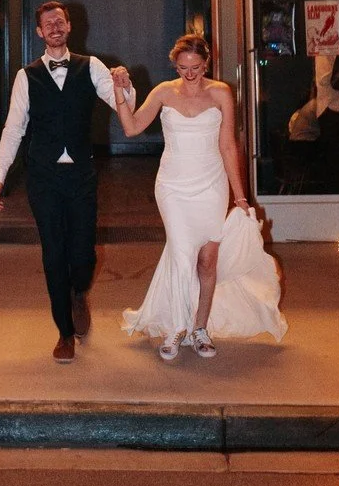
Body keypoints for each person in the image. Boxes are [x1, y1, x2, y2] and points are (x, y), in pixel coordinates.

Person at [116, 35, 283, 360]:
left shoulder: (221, 92)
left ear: (206, 63)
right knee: (181, 255)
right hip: (173, 187)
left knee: (207, 262)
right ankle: (176, 328)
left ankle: (200, 328)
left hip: (211, 185)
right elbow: (132, 128)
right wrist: (121, 95)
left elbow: (228, 146)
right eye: (182, 67)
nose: (189, 73)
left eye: (195, 67)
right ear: (174, 64)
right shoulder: (164, 91)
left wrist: (240, 196)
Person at [0, 1, 133, 365]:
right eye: (46, 23)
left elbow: (123, 105)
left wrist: (125, 87)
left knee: (83, 252)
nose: (54, 26)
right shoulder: (26, 76)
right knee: (53, 253)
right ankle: (64, 332)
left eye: (59, 21)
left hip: (81, 172)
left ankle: (79, 291)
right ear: (39, 32)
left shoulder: (91, 66)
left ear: (69, 27)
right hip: (44, 177)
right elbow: (14, 128)